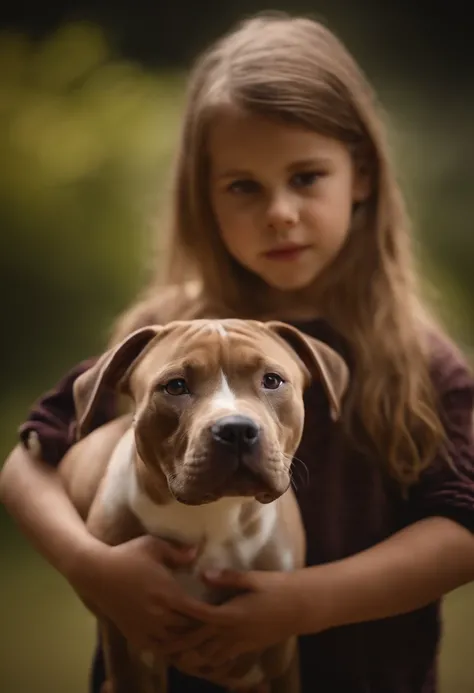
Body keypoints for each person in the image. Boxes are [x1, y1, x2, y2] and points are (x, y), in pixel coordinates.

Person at [1, 11, 473, 693]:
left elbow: (461, 527)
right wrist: (92, 566)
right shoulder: (167, 334)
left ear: (361, 176)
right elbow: (25, 465)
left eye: (306, 177)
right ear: (205, 196)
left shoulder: (415, 361)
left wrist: (305, 601)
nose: (280, 211)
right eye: (244, 186)